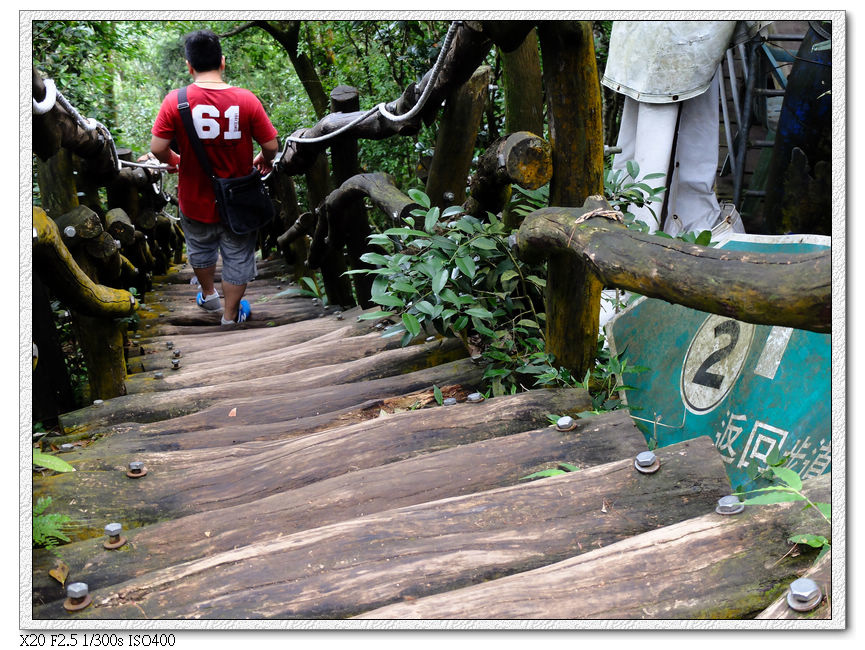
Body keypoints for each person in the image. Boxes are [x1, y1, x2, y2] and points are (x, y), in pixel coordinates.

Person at [146, 29, 278, 325]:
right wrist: (263, 158)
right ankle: (230, 317)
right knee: (238, 256)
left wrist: (175, 161)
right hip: (239, 200)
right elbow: (271, 146)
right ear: (223, 62)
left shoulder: (175, 101)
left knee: (201, 249)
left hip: (194, 199)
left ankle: (208, 295)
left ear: (189, 66)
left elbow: (157, 148)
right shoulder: (246, 100)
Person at [601, 21, 766, 236]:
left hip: (690, 40)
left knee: (686, 144)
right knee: (648, 149)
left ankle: (657, 225)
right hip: (658, 40)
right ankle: (642, 226)